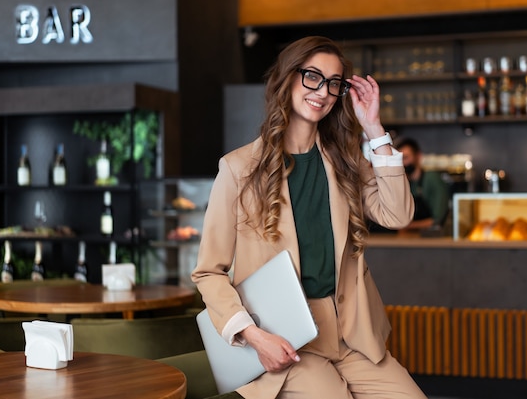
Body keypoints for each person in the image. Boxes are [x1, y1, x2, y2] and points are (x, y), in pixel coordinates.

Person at [191, 36, 426, 399]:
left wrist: (375, 130)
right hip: (284, 336)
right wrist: (254, 335)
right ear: (288, 78)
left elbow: (397, 214)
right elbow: (209, 272)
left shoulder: (345, 161)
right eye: (312, 76)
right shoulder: (238, 169)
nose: (323, 91)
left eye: (334, 83)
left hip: (352, 335)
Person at [396, 137, 449, 231]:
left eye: (406, 158)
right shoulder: (404, 182)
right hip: (407, 239)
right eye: (399, 159)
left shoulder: (432, 179)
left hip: (432, 238)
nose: (403, 163)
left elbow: (437, 219)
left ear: (418, 156)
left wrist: (407, 226)